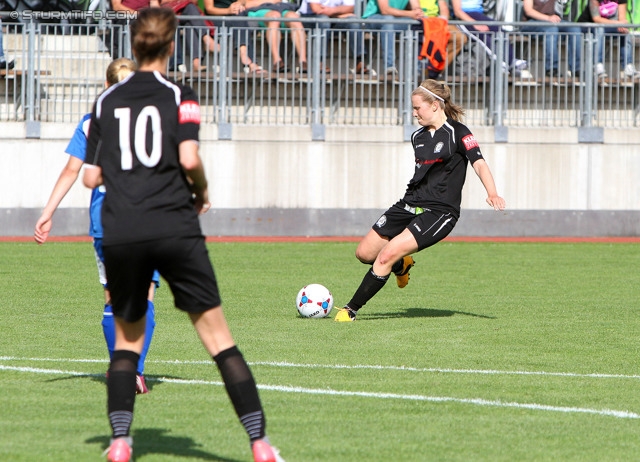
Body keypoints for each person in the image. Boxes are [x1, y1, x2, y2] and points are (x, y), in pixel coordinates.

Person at [82, 8, 284, 462]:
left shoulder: (105, 102)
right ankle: (260, 444)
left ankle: (118, 443)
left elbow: (90, 177)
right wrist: (202, 193)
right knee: (219, 340)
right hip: (174, 224)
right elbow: (189, 158)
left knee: (127, 344)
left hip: (122, 229)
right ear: (171, 46)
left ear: (133, 46)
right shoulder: (180, 94)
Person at [335, 79, 506, 322]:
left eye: (417, 108)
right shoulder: (418, 137)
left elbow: (479, 163)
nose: (414, 113)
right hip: (408, 203)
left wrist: (492, 192)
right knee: (364, 253)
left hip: (439, 212)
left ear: (435, 105)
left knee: (386, 255)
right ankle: (401, 265)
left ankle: (349, 310)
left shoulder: (459, 133)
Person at [34, 58, 157, 395]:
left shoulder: (91, 124)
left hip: (106, 223)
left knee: (112, 297)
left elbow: (72, 171)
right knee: (144, 294)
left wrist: (47, 212)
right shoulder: (153, 122)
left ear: (105, 86)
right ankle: (136, 370)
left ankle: (121, 367)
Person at [450, 0, 533, 78]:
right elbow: (458, 12)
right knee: (484, 38)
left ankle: (512, 61)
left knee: (501, 31)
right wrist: (474, 24)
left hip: (479, 16)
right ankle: (504, 64)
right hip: (464, 19)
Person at [296, 0, 373, 75]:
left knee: (354, 22)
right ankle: (320, 62)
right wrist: (340, 14)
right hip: (310, 18)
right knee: (324, 20)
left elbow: (350, 8)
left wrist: (332, 11)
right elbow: (316, 9)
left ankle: (360, 62)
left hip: (332, 18)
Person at [577, 0, 640, 79]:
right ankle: (597, 65)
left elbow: (622, 18)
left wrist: (622, 25)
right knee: (599, 29)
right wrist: (618, 23)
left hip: (608, 26)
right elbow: (596, 19)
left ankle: (628, 66)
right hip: (589, 26)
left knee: (625, 32)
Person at [521, 0, 582, 80]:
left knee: (574, 29)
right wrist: (548, 18)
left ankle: (576, 69)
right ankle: (552, 69)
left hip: (552, 22)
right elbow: (529, 11)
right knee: (551, 29)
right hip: (531, 22)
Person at [203, 0, 268, 75]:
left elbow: (244, 1)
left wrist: (238, 4)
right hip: (216, 18)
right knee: (240, 20)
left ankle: (244, 52)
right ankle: (251, 62)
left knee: (240, 16)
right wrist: (228, 11)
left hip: (235, 17)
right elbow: (209, 8)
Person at [361, 0, 424, 76]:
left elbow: (416, 7)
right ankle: (389, 66)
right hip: (372, 19)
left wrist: (417, 12)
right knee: (388, 20)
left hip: (395, 19)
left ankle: (419, 70)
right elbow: (385, 10)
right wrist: (410, 14)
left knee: (419, 23)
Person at [243, 0, 309, 73]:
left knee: (294, 17)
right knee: (274, 17)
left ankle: (303, 62)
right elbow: (244, 4)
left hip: (283, 8)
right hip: (260, 10)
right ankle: (277, 61)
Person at [417, 0, 468, 78]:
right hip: (420, 22)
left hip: (437, 22)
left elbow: (444, 10)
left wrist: (441, 23)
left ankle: (436, 70)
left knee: (460, 38)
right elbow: (414, 10)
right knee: (431, 38)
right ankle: (428, 71)